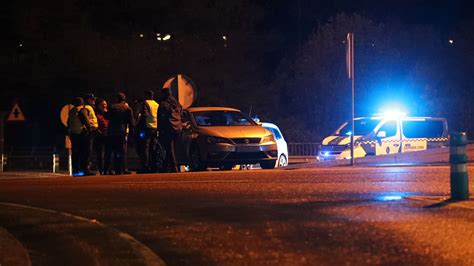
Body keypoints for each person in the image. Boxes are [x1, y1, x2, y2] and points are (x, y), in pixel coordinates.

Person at [105, 92, 134, 175]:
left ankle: (108, 169)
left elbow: (106, 116)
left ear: (117, 99)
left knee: (111, 151)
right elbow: (131, 122)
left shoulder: (112, 107)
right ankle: (122, 169)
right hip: (122, 132)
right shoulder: (128, 109)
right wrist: (131, 134)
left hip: (111, 132)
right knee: (122, 151)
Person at [158, 87, 183, 173]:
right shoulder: (176, 102)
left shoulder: (164, 103)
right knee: (171, 148)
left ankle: (173, 167)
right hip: (178, 128)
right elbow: (181, 113)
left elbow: (161, 117)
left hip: (168, 127)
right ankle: (165, 167)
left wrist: (159, 129)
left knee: (168, 148)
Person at [135, 90, 159, 173]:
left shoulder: (145, 103)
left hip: (147, 127)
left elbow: (144, 115)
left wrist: (138, 124)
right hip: (155, 127)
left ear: (147, 96)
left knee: (145, 148)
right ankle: (154, 167)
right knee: (153, 148)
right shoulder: (156, 104)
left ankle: (145, 167)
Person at [67, 97, 91, 176]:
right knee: (84, 152)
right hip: (81, 134)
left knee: (75, 153)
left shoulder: (71, 111)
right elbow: (86, 121)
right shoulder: (82, 110)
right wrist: (90, 130)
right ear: (82, 103)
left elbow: (68, 122)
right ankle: (84, 170)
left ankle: (75, 170)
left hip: (73, 134)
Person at [83, 93, 99, 174]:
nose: (94, 101)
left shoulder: (90, 107)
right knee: (88, 150)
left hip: (92, 131)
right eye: (92, 99)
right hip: (89, 131)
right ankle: (86, 169)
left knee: (90, 150)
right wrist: (89, 128)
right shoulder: (87, 107)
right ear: (88, 100)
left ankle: (87, 168)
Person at [94, 98, 109, 175]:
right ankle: (101, 169)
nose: (104, 106)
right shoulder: (96, 114)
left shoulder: (108, 114)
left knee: (108, 153)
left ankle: (107, 169)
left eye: (105, 104)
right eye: (102, 104)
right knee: (100, 154)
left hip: (108, 136)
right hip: (99, 136)